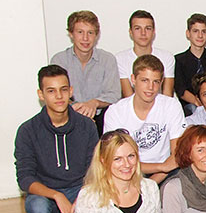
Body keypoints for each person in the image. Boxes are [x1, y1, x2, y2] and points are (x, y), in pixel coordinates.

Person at [15, 65, 99, 213]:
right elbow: (25, 178)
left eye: (63, 89)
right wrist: (57, 196)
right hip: (48, 193)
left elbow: (95, 170)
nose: (59, 96)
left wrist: (82, 196)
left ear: (71, 90)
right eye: (51, 91)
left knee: (105, 196)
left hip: (81, 188)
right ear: (41, 94)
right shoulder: (27, 130)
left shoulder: (86, 126)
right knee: (35, 206)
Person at [103, 54, 187, 185]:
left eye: (156, 82)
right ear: (133, 79)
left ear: (161, 82)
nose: (150, 87)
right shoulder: (116, 112)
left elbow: (176, 157)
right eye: (144, 80)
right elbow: (115, 160)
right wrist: (161, 167)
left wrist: (150, 185)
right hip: (128, 171)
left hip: (165, 173)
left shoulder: (171, 106)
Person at [50, 10, 121, 134]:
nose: (85, 38)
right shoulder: (59, 60)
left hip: (100, 118)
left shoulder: (107, 59)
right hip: (69, 116)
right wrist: (81, 112)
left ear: (96, 35)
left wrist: (94, 103)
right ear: (71, 34)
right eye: (80, 32)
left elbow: (114, 94)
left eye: (90, 33)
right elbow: (56, 93)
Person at [116, 10, 175, 98]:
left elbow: (167, 96)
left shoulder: (167, 57)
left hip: (160, 106)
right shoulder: (120, 59)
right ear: (130, 32)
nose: (143, 33)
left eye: (148, 28)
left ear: (153, 32)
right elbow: (128, 97)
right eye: (137, 28)